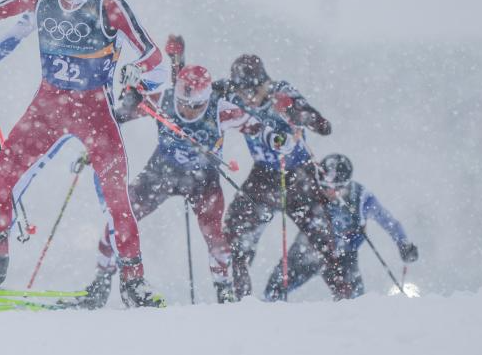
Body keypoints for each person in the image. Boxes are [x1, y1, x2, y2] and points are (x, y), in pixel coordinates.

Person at [0, 0, 168, 308]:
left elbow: (155, 59)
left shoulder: (109, 6)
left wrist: (138, 73)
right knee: (1, 178)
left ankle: (134, 283)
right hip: (49, 105)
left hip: (95, 111)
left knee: (117, 199)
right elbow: (2, 11)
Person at [67, 42, 253, 308]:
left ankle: (224, 291)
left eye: (196, 106)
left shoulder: (222, 109)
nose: (187, 111)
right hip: (162, 173)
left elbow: (259, 128)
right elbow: (118, 116)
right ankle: (101, 282)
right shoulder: (162, 100)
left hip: (203, 180)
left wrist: (277, 135)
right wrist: (95, 145)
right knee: (120, 217)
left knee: (216, 237)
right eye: (183, 103)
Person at [218, 54, 353, 300]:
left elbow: (323, 127)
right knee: (235, 230)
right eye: (240, 91)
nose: (246, 97)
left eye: (251, 91)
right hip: (263, 174)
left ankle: (346, 298)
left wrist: (294, 109)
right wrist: (177, 63)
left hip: (299, 175)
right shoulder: (232, 93)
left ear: (263, 83)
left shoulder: (282, 91)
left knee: (322, 239)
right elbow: (197, 94)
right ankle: (240, 300)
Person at [263, 153, 419, 300]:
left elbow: (389, 222)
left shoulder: (361, 198)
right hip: (310, 248)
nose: (329, 192)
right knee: (274, 289)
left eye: (336, 188)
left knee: (355, 301)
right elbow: (287, 200)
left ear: (347, 184)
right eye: (324, 187)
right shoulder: (311, 190)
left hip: (344, 256)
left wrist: (403, 244)